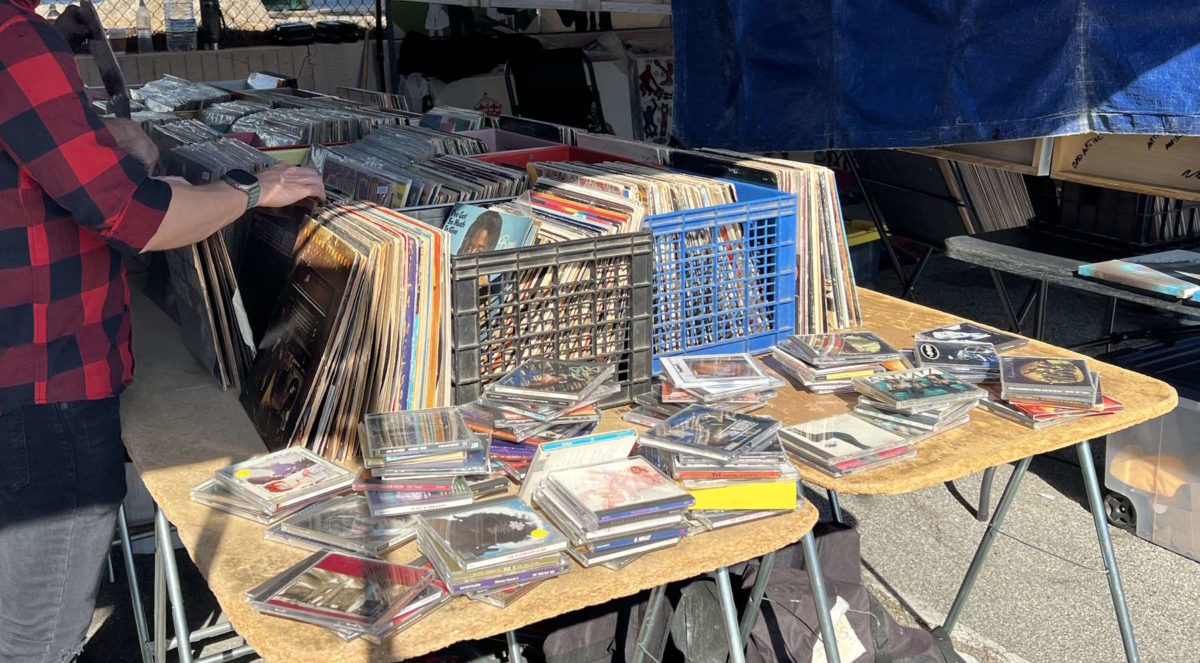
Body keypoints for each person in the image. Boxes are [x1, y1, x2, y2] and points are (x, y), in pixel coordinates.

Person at [0, 0, 325, 659]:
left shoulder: (24, 38)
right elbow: (133, 216)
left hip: (28, 383)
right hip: (47, 392)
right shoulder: (14, 40)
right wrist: (252, 189)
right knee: (37, 638)